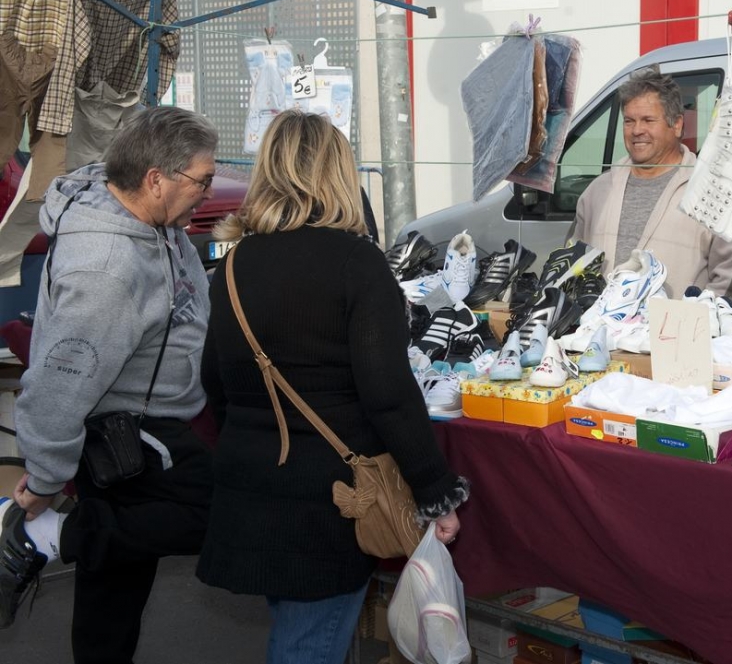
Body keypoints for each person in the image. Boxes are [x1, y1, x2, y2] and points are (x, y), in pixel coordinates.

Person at [196, 110, 467, 664]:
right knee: (311, 644)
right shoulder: (356, 262)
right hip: (330, 501)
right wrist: (436, 490)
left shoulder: (230, 266)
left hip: (252, 486)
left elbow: (213, 383)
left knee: (299, 635)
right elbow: (388, 392)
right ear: (337, 173)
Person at [0, 106, 218, 663]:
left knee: (113, 590)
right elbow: (59, 381)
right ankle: (47, 535)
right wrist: (45, 478)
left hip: (144, 422)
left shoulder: (150, 220)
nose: (206, 192)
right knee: (219, 517)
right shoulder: (108, 268)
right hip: (132, 432)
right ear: (154, 179)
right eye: (202, 180)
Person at [570, 67, 732, 311]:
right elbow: (571, 265)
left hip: (675, 343)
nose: (637, 130)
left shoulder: (713, 191)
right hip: (598, 342)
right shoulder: (598, 192)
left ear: (677, 124)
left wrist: (697, 330)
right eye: (629, 121)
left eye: (648, 120)